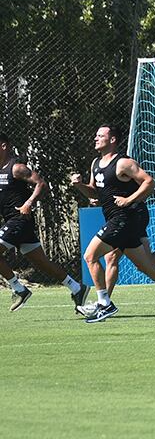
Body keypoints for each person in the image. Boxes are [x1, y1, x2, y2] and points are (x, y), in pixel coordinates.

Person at [69, 125, 155, 324]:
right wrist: (79, 186)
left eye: (101, 135)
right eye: (96, 134)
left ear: (112, 140)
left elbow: (149, 182)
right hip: (114, 219)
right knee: (145, 264)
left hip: (124, 219)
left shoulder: (123, 163)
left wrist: (130, 200)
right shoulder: (96, 163)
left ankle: (104, 303)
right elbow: (94, 192)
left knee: (90, 256)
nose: (96, 138)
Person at [0, 133, 90, 313]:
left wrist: (29, 203)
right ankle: (77, 288)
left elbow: (41, 183)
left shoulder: (16, 168)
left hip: (20, 221)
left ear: (3, 146)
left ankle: (19, 289)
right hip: (15, 222)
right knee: (42, 263)